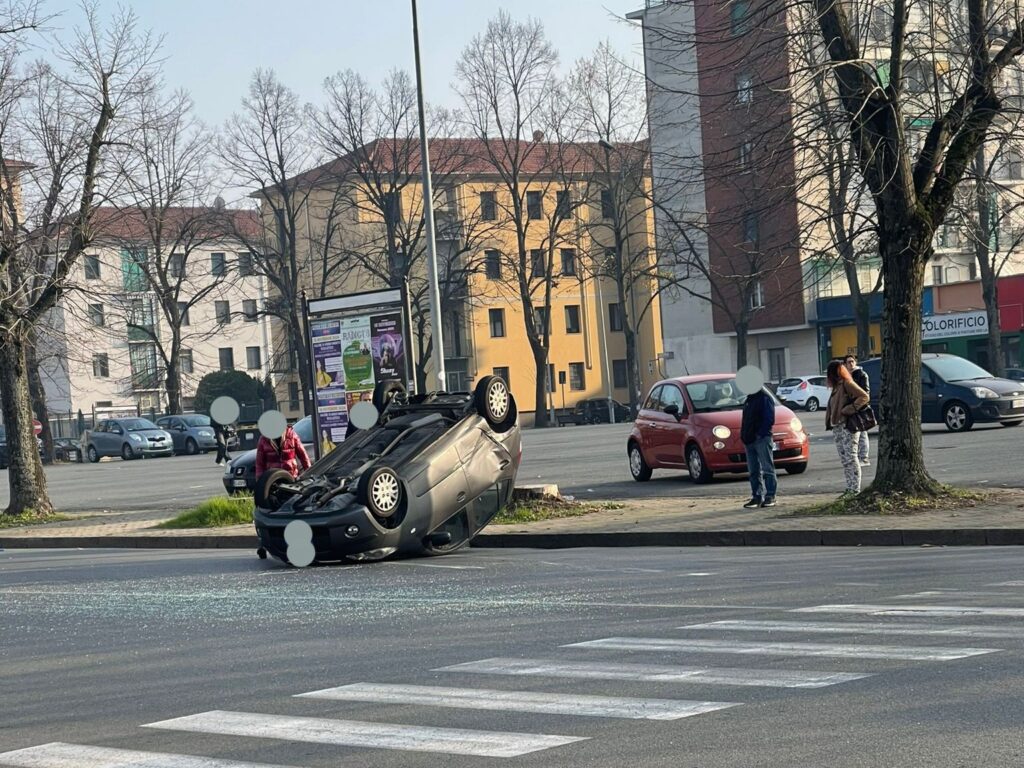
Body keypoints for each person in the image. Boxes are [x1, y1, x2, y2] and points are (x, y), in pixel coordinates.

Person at [826, 359, 870, 497]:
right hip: (837, 426)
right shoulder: (836, 387)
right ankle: (849, 487)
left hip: (847, 425)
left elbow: (864, 396)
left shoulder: (847, 383)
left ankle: (855, 489)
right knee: (845, 459)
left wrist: (849, 409)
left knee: (851, 457)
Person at [740, 381, 777, 509]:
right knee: (753, 471)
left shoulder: (765, 398)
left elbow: (769, 419)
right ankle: (756, 496)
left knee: (767, 468)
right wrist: (744, 436)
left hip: (761, 438)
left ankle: (770, 495)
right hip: (749, 439)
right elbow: (745, 420)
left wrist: (760, 434)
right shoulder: (748, 400)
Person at [844, 354, 871, 466]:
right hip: (850, 408)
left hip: (859, 408)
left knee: (862, 433)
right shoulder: (846, 376)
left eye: (852, 361)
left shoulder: (861, 374)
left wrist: (856, 405)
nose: (851, 363)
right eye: (848, 362)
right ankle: (856, 457)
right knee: (853, 433)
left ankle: (864, 458)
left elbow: (865, 392)